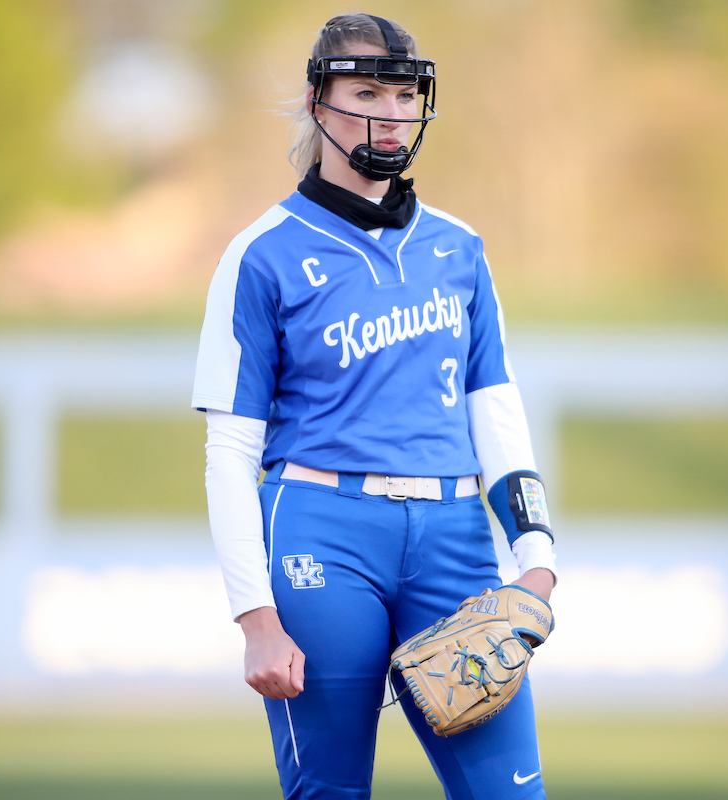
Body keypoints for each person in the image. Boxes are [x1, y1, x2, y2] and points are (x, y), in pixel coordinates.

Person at [192, 13, 558, 799]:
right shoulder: (262, 253)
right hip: (322, 538)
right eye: (365, 92)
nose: (389, 114)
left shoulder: (459, 248)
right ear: (319, 103)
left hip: (455, 541)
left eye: (402, 95)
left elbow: (493, 406)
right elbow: (230, 451)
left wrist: (538, 558)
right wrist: (254, 616)